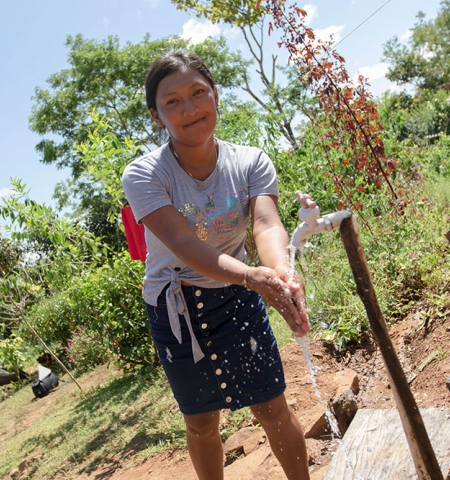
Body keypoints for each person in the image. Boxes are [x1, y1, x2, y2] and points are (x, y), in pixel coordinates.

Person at [121, 49, 315, 480]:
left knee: (271, 405)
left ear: (216, 96)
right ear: (157, 116)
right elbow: (183, 243)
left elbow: (266, 225)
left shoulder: (250, 161)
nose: (189, 108)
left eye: (198, 93)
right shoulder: (144, 175)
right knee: (202, 420)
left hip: (239, 292)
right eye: (173, 101)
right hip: (176, 307)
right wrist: (252, 276)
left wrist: (280, 274)